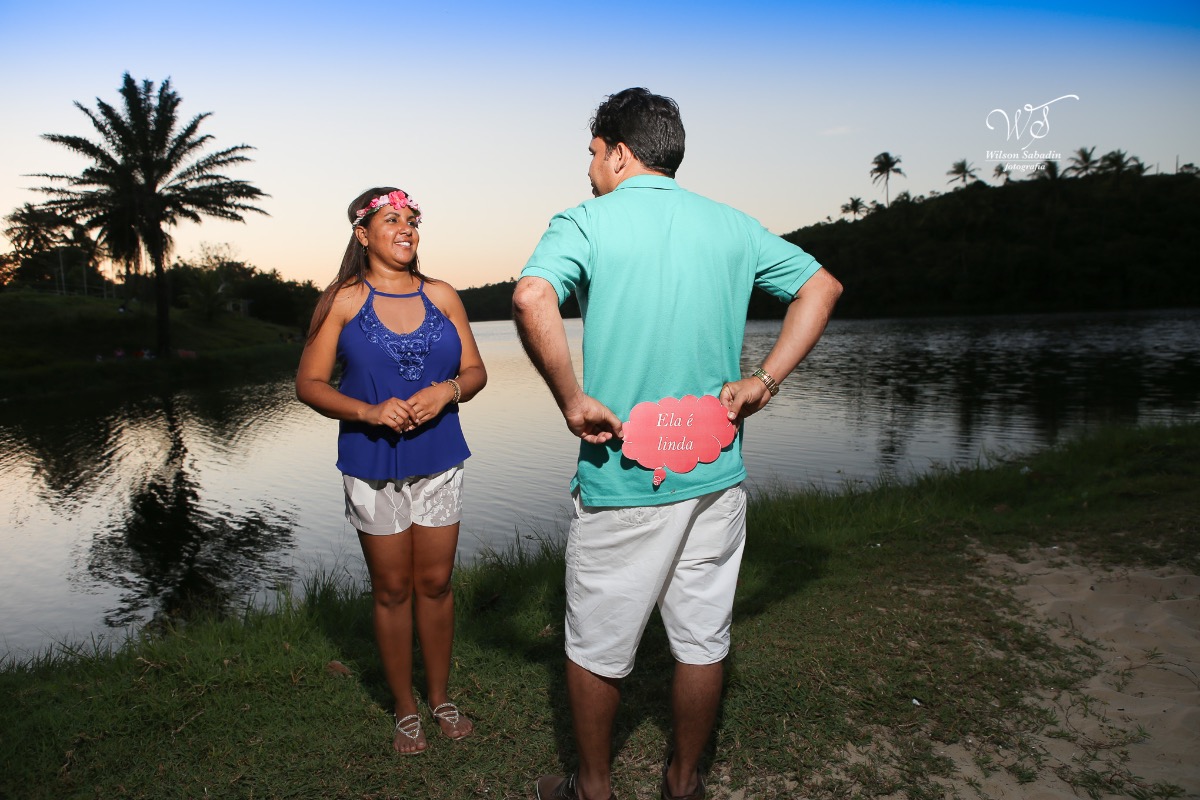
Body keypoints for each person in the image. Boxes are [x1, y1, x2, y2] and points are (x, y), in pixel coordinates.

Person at [513, 89, 842, 800]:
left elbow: (531, 297)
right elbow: (822, 286)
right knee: (702, 639)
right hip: (715, 471)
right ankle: (684, 782)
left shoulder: (586, 221)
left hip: (624, 474)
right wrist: (764, 380)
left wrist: (572, 398)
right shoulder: (732, 225)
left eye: (594, 154)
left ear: (620, 152)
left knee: (598, 646)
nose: (591, 169)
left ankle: (592, 790)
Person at [296, 186, 486, 754]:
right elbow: (307, 384)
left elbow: (475, 371)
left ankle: (440, 696)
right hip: (371, 462)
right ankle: (405, 707)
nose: (407, 228)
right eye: (392, 220)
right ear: (362, 234)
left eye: (413, 221)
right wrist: (369, 411)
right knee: (393, 589)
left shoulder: (444, 295)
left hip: (439, 459)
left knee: (435, 583)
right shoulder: (343, 301)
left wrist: (446, 390)